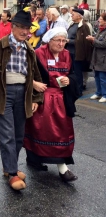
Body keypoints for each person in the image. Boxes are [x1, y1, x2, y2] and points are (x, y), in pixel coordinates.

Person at [0, 10, 43, 191]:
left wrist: (36, 98)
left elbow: (35, 75)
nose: (24, 31)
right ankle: (12, 173)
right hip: (3, 94)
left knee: (19, 135)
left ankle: (8, 166)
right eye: (20, 27)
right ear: (12, 27)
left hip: (23, 94)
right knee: (7, 136)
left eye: (26, 28)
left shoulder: (29, 49)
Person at [24, 27, 80, 182]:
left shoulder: (68, 55)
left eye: (64, 41)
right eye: (58, 40)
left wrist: (70, 80)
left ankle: (63, 167)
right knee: (39, 131)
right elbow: (25, 73)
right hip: (43, 99)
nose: (61, 44)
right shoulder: (38, 54)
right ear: (49, 41)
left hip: (62, 100)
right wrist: (34, 83)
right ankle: (34, 158)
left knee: (61, 133)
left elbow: (75, 75)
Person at [66, 8, 93, 94]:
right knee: (70, 71)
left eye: (73, 14)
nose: (71, 15)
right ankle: (72, 88)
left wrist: (69, 41)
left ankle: (79, 90)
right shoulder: (72, 24)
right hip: (69, 52)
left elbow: (84, 41)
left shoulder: (84, 26)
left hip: (77, 53)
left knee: (77, 72)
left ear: (79, 16)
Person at [87, 12, 106, 103]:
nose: (99, 20)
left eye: (101, 19)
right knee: (97, 76)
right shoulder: (100, 30)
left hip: (103, 59)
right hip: (96, 57)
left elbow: (103, 44)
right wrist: (92, 39)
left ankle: (104, 94)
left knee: (103, 78)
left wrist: (93, 40)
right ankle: (98, 92)